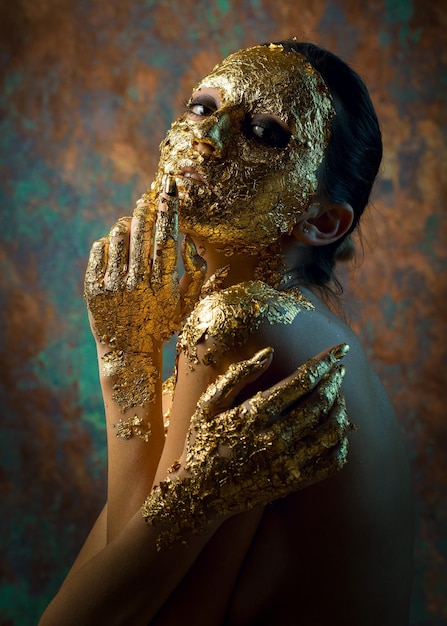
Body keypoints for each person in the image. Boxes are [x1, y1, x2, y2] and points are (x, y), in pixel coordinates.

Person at [40, 41, 413, 625]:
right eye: (201, 106)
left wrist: (126, 363)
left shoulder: (245, 326)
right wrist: (128, 360)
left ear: (321, 220)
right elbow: (129, 569)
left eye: (266, 132)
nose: (206, 137)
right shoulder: (299, 325)